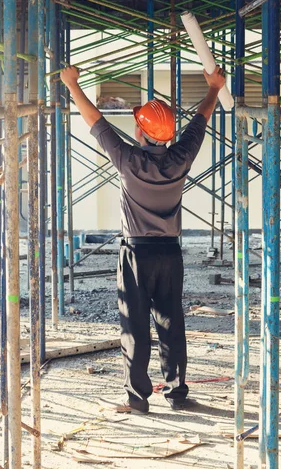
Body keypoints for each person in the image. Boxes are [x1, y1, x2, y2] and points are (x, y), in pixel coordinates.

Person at [61, 64, 226, 414]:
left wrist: (71, 84)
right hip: (170, 254)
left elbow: (95, 122)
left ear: (140, 131)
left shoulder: (129, 160)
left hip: (135, 253)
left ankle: (138, 400)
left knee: (134, 326)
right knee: (171, 322)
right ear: (167, 135)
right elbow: (201, 118)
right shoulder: (181, 157)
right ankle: (177, 395)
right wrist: (213, 87)